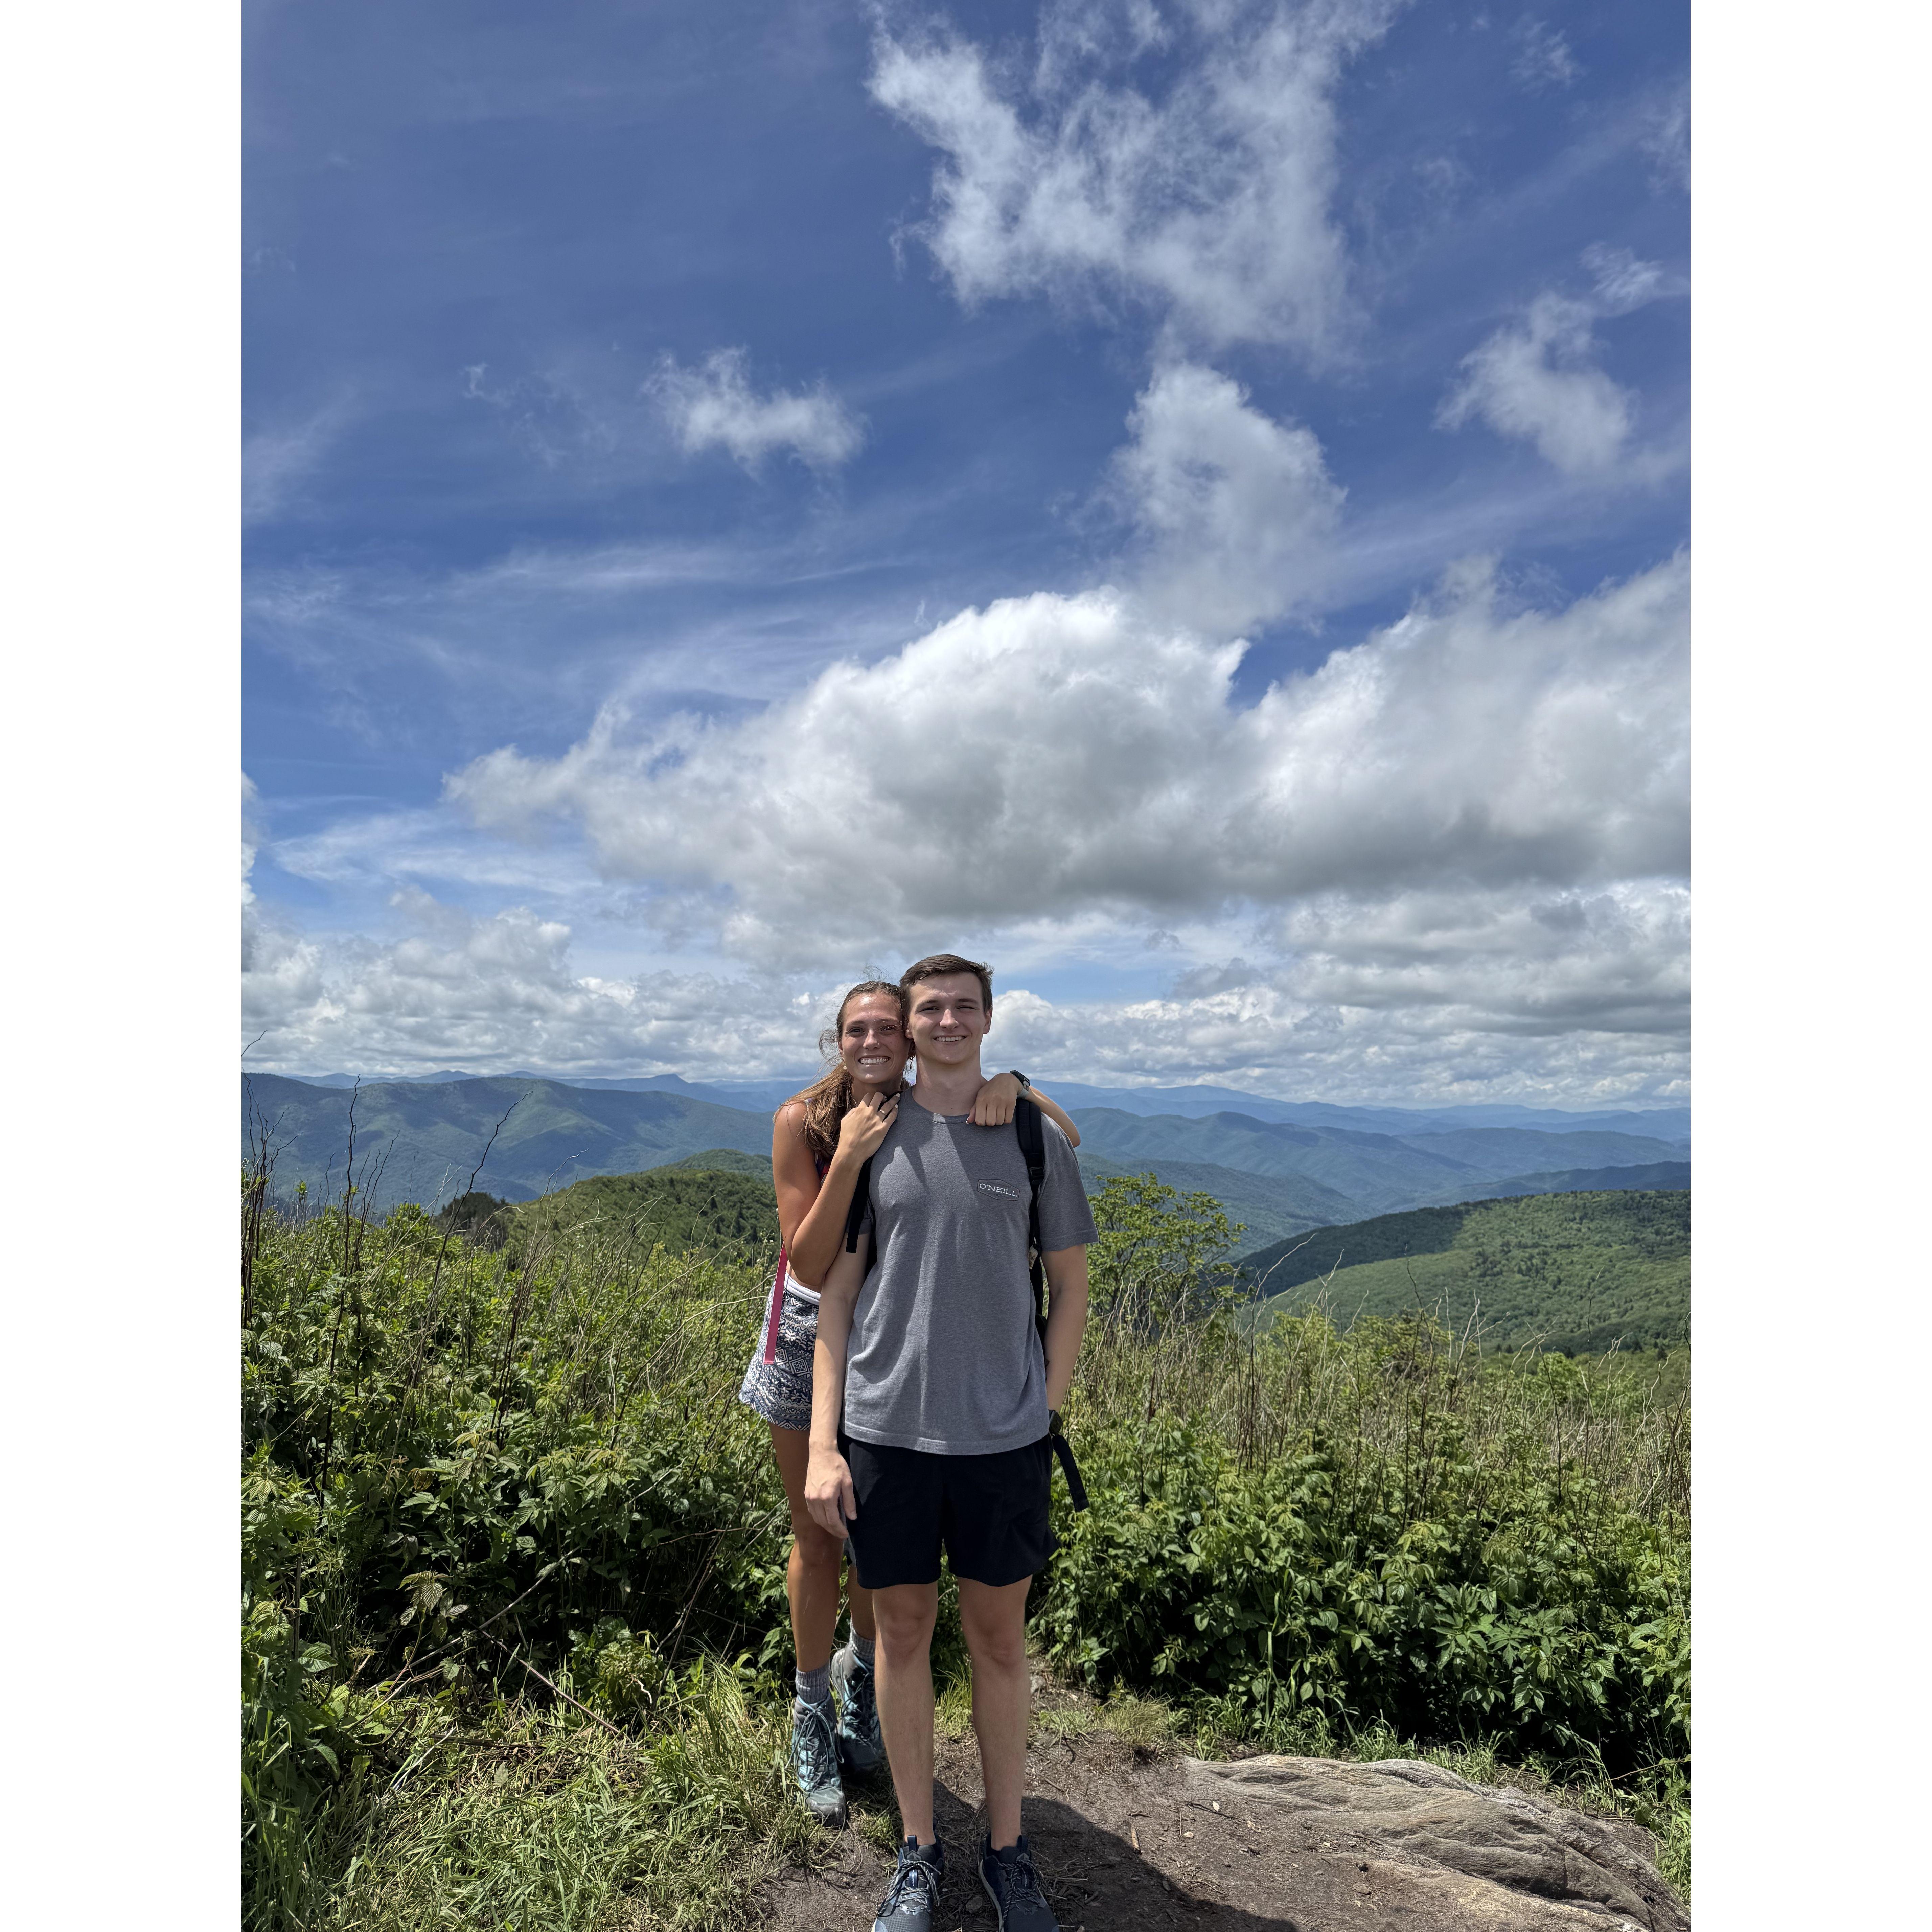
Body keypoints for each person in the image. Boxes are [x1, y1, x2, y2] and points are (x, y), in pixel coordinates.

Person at [738, 978, 1082, 1831]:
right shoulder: (807, 1124)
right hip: (809, 1344)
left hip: (902, 1358)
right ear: (837, 1038)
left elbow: (1057, 1137)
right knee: (819, 1539)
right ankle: (811, 1710)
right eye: (859, 1029)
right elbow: (810, 1266)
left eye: (889, 1027)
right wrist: (850, 1155)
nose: (876, 1041)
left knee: (875, 1559)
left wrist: (1014, 1081)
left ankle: (862, 1691)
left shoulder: (920, 1105)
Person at [805, 955, 1096, 1932]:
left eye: (963, 1006)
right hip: (887, 1431)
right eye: (929, 1007)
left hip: (1003, 1439)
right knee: (902, 1635)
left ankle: (1006, 1849)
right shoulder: (874, 1133)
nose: (945, 1021)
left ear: (986, 1019)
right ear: (912, 1021)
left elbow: (1072, 1288)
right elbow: (836, 1299)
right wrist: (822, 1444)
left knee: (999, 1642)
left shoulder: (1031, 1134)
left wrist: (1043, 1412)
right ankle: (920, 1849)